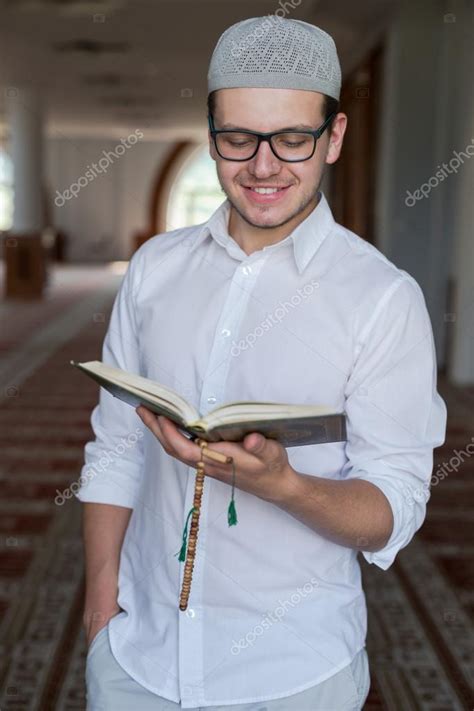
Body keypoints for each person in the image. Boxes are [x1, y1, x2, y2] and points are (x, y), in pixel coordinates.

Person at [78, 16, 447, 711]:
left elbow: (394, 504)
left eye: (293, 139)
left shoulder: (382, 299)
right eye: (238, 138)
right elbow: (116, 447)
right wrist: (102, 614)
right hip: (137, 661)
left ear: (333, 138)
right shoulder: (156, 269)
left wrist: (286, 487)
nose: (264, 165)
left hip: (293, 676)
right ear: (212, 130)